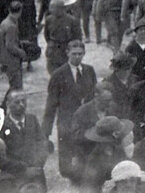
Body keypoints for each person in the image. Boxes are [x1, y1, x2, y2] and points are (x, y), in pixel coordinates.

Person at [42, 39, 97, 182]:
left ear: (84, 53)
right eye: (74, 54)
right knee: (67, 163)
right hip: (67, 123)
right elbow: (51, 106)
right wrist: (45, 133)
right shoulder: (58, 75)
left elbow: (95, 96)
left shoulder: (90, 71)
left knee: (86, 156)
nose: (77, 57)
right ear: (67, 53)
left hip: (86, 122)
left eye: (80, 54)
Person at [2, 89, 48, 190]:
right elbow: (1, 155)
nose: (22, 104)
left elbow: (42, 143)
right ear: (8, 104)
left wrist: (38, 164)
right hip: (15, 175)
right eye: (17, 102)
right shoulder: (2, 125)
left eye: (24, 101)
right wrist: (22, 169)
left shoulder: (32, 119)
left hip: (36, 172)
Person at [0, 0, 26, 90]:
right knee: (16, 87)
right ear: (20, 11)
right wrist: (21, 52)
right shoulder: (11, 25)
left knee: (13, 86)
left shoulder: (5, 22)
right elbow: (10, 45)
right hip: (12, 60)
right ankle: (6, 104)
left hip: (5, 58)